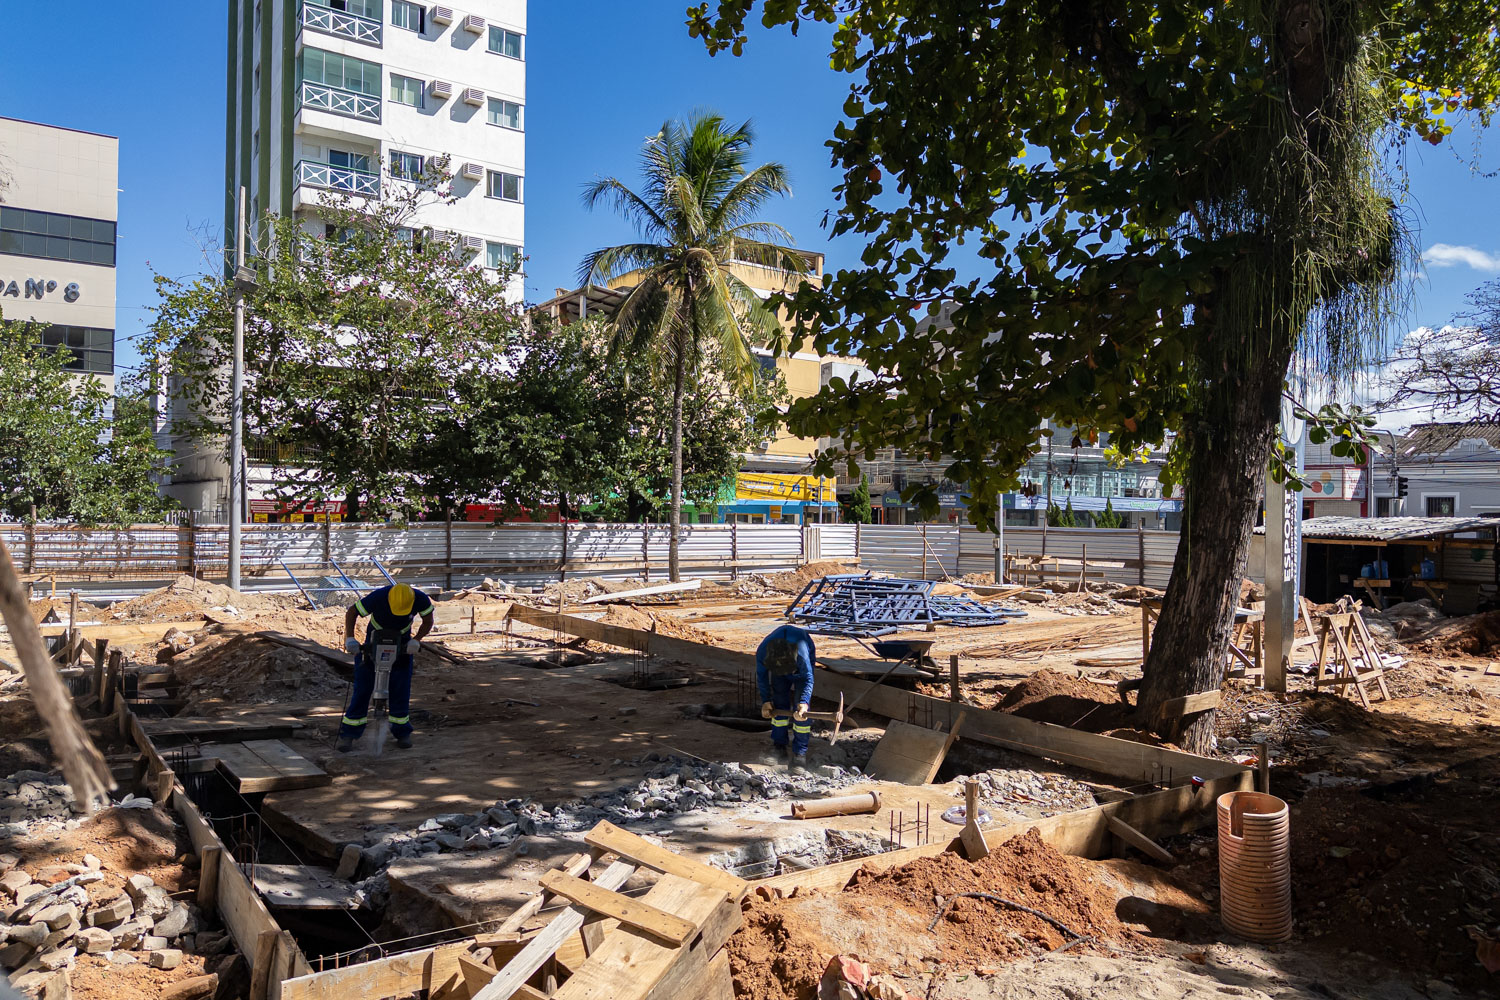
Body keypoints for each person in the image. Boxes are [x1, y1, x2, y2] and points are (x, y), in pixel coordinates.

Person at [338, 582, 435, 752]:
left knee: (400, 688)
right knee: (362, 689)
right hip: (373, 643)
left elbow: (428, 621)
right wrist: (350, 638)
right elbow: (352, 611)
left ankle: (402, 732)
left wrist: (416, 640)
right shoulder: (379, 596)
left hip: (402, 645)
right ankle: (349, 734)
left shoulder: (420, 598)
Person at [756, 623, 816, 769]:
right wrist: (766, 701)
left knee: (801, 713)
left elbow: (808, 677)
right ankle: (779, 747)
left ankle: (800, 754)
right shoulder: (763, 652)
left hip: (800, 672)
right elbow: (762, 676)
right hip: (779, 672)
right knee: (779, 703)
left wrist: (804, 701)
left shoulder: (802, 653)